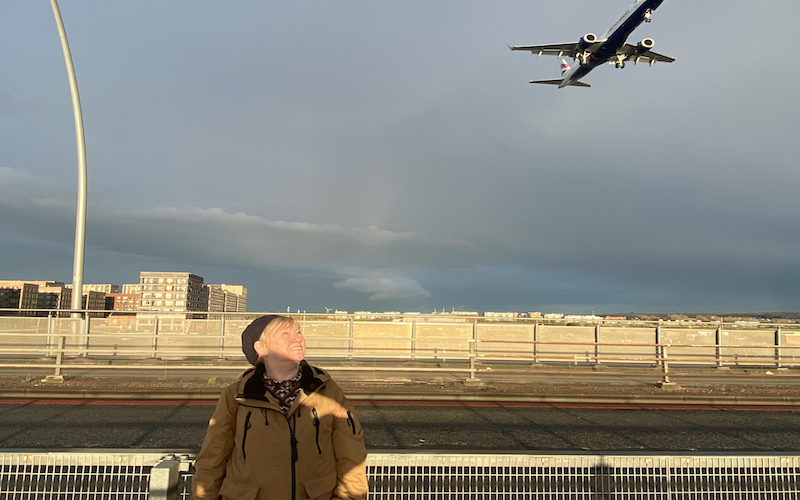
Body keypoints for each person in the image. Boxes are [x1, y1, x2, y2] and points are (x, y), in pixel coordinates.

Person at [192, 315, 368, 500]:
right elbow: (213, 458)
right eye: (285, 334)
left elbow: (351, 454)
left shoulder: (327, 390)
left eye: (298, 332)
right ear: (261, 347)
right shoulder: (236, 395)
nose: (298, 339)